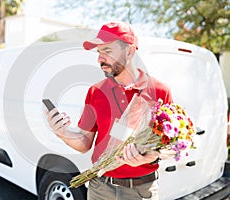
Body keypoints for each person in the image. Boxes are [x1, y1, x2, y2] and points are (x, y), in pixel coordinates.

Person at [46, 21, 173, 200]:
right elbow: (84, 143)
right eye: (98, 52)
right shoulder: (95, 92)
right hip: (101, 189)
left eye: (106, 51)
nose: (99, 58)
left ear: (129, 51)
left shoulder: (160, 91)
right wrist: (62, 132)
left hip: (143, 191)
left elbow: (172, 145)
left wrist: (152, 156)